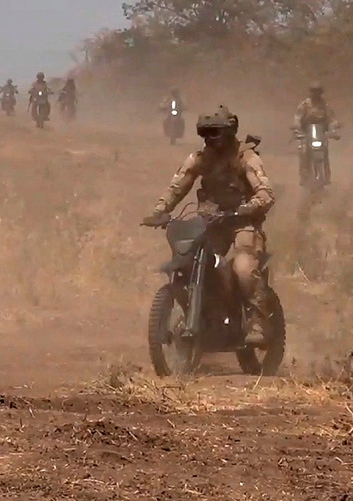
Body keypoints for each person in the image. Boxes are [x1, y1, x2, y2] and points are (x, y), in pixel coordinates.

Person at [141, 106, 275, 344]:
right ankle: (206, 316)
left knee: (243, 268)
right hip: (210, 222)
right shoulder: (199, 159)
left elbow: (265, 193)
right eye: (206, 134)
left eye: (216, 134)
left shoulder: (246, 158)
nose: (211, 140)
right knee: (191, 262)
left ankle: (257, 323)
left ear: (229, 132)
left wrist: (246, 208)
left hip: (242, 223)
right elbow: (177, 186)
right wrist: (160, 211)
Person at [292, 82, 341, 185]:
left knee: (325, 153)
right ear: (310, 93)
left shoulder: (324, 105)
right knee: (303, 151)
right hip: (307, 134)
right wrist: (296, 128)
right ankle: (303, 176)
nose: (316, 95)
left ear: (321, 93)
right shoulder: (305, 105)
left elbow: (331, 118)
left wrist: (334, 129)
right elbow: (298, 117)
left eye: (318, 92)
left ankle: (327, 176)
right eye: (314, 92)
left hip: (321, 134)